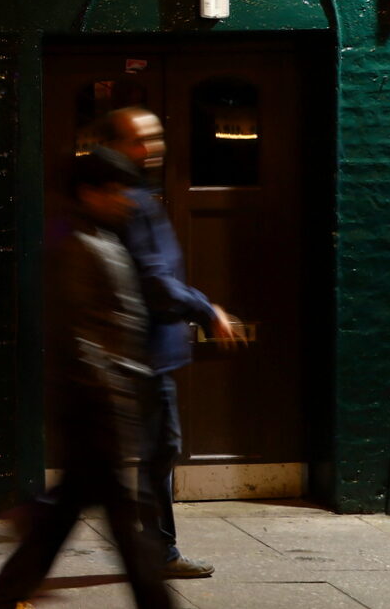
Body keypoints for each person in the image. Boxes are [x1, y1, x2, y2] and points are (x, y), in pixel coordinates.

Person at [0, 147, 173, 609]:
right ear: (89, 192)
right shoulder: (77, 246)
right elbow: (82, 338)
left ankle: (7, 591)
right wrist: (115, 405)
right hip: (96, 410)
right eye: (116, 190)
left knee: (69, 512)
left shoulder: (101, 237)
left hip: (101, 406)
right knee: (126, 523)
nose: (128, 199)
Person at [100, 106, 245, 579]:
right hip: (146, 353)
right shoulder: (132, 202)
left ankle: (152, 549)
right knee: (160, 449)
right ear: (116, 145)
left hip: (136, 351)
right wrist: (207, 309)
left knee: (148, 452)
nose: (153, 148)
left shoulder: (131, 197)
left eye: (156, 137)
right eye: (141, 139)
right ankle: (156, 553)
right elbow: (156, 280)